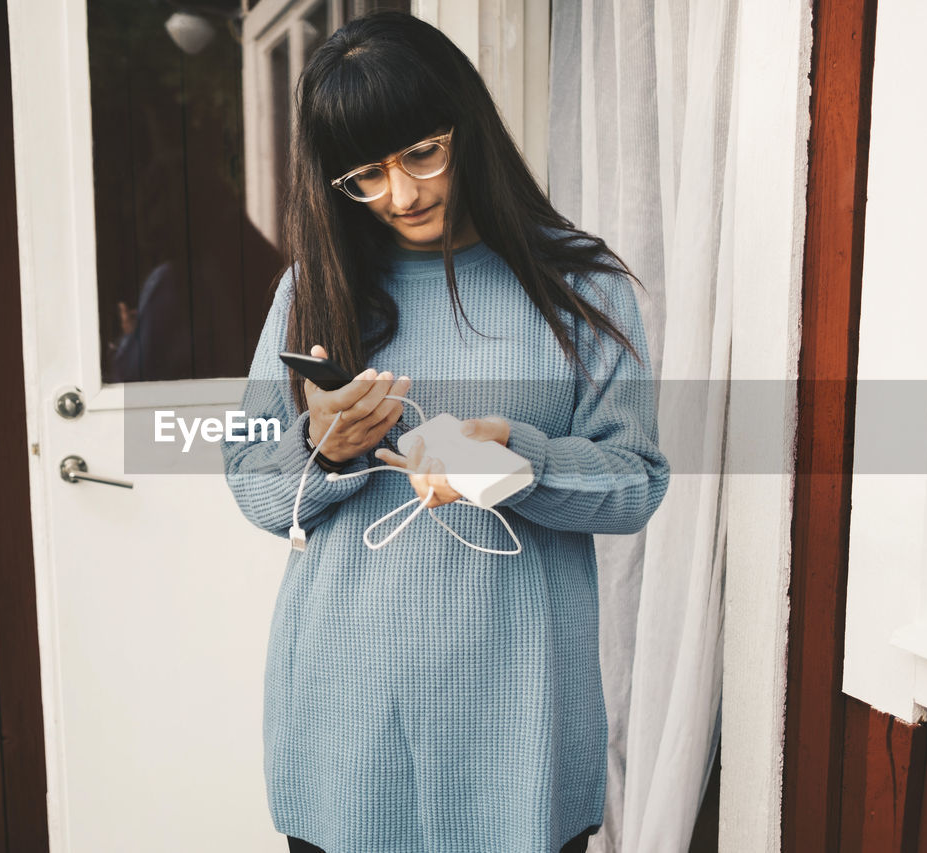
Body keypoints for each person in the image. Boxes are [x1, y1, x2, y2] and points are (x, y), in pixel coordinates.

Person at [221, 11, 670, 853]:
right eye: (366, 175)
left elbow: (635, 481)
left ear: (468, 125)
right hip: (345, 724)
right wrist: (330, 448)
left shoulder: (580, 286)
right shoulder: (312, 292)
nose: (403, 193)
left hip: (521, 722)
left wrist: (520, 462)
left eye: (421, 153)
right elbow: (251, 480)